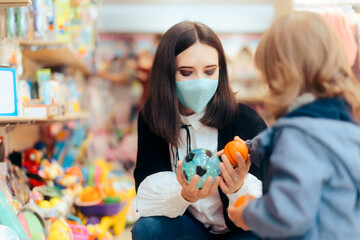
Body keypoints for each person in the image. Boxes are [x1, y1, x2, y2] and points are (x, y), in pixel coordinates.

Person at [227, 11, 360, 240]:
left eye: (268, 77)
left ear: (282, 75)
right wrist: (250, 147)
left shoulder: (294, 136)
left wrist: (247, 214)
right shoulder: (345, 126)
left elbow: (287, 214)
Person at [131, 21, 267, 240]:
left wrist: (238, 188)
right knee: (147, 229)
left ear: (220, 72)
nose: (200, 83)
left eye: (209, 71)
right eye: (186, 72)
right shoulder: (152, 119)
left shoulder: (245, 119)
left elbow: (272, 201)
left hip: (241, 232)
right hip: (192, 229)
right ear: (166, 73)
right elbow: (146, 197)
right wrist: (183, 194)